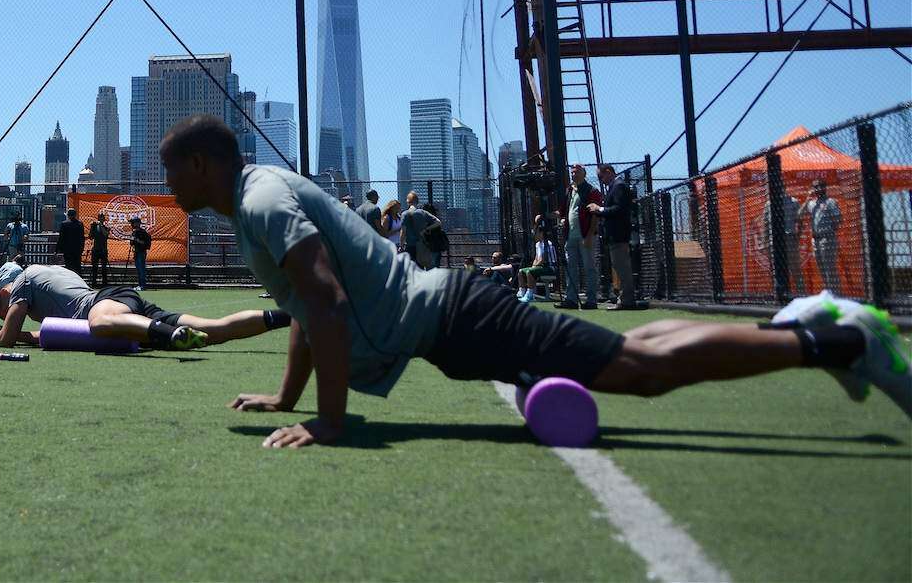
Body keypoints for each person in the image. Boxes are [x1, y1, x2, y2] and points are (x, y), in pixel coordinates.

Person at [156, 114, 911, 449]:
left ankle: (836, 339)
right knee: (641, 345)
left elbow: (324, 299)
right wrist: (287, 396)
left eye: (170, 172)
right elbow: (302, 307)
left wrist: (328, 421)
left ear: (200, 165)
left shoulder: (258, 198)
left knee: (641, 373)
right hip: (454, 327)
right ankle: (807, 328)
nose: (168, 185)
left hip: (458, 318)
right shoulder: (256, 199)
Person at [0, 260, 291, 351]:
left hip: (106, 305)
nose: (13, 318)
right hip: (124, 306)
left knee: (99, 324)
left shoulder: (23, 280)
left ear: (6, 290)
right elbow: (57, 331)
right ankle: (289, 316)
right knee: (215, 330)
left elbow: (6, 338)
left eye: (8, 312)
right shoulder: (56, 273)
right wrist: (26, 337)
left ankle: (169, 334)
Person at [588, 165, 639, 311]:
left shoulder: (619, 186)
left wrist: (600, 209)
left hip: (619, 234)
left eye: (601, 177)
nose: (601, 180)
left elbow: (619, 208)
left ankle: (627, 300)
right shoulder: (615, 186)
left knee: (622, 268)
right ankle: (625, 299)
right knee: (619, 267)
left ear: (608, 172)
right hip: (615, 235)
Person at [558, 165, 599, 310]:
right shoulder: (569, 191)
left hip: (585, 235)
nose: (573, 174)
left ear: (584, 174)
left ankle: (592, 300)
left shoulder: (591, 191)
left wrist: (589, 235)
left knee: (589, 268)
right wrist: (562, 219)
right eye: (572, 172)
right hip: (571, 236)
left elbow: (595, 215)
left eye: (576, 172)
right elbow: (564, 211)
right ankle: (571, 299)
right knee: (571, 268)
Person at [800, 180, 844, 294]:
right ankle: (828, 294)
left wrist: (830, 230)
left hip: (827, 237)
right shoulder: (811, 203)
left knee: (830, 268)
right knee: (822, 268)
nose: (817, 189)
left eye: (820, 186)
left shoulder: (830, 202)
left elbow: (838, 219)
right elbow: (799, 215)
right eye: (815, 187)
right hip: (815, 239)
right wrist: (807, 199)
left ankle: (836, 294)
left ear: (825, 188)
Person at [765, 184, 803, 295]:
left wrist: (798, 236)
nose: (780, 189)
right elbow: (765, 222)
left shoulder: (794, 202)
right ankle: (779, 294)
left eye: (782, 187)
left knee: (795, 268)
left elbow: (799, 220)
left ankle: (801, 294)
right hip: (774, 239)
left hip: (789, 237)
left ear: (785, 188)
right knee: (776, 269)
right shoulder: (769, 203)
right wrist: (766, 240)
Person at [517, 220, 557, 303]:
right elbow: (536, 258)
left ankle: (530, 295)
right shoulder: (537, 244)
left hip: (549, 268)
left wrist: (532, 269)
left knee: (530, 272)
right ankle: (522, 292)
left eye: (536, 232)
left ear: (541, 233)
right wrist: (533, 267)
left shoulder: (547, 244)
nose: (534, 234)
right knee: (521, 272)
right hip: (540, 267)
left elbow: (542, 260)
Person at [398, 192, 438, 266]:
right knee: (421, 267)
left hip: (409, 245)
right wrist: (426, 229)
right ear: (417, 201)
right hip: (422, 245)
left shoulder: (404, 214)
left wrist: (401, 245)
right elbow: (438, 222)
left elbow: (403, 231)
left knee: (410, 268)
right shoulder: (423, 212)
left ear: (408, 202)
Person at [57, 208, 86, 275]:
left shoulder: (64, 224)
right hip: (77, 249)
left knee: (69, 266)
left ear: (68, 215)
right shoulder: (80, 224)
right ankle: (79, 280)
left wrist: (58, 249)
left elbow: (61, 238)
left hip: (67, 249)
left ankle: (70, 281)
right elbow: (82, 237)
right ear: (75, 215)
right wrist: (82, 248)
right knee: (77, 266)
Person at [88, 212, 111, 287]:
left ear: (104, 219)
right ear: (98, 218)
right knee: (94, 267)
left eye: (102, 217)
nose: (101, 218)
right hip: (96, 249)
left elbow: (105, 234)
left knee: (104, 267)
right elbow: (91, 237)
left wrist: (101, 226)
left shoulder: (106, 227)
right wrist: (92, 227)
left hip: (103, 250)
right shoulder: (94, 226)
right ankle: (94, 283)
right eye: (100, 217)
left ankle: (104, 283)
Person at [129, 215, 152, 289]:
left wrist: (137, 240)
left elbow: (145, 243)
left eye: (133, 222)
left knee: (141, 269)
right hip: (136, 252)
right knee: (138, 269)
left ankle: (143, 285)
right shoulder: (134, 232)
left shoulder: (142, 232)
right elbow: (132, 242)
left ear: (138, 223)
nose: (132, 224)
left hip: (141, 252)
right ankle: (140, 285)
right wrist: (132, 240)